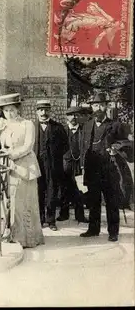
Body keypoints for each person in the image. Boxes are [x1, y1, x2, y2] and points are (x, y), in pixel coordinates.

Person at [0, 93, 44, 248]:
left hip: (24, 167)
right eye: (6, 110)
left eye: (12, 110)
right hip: (7, 168)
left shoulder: (27, 124)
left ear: (18, 109)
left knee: (23, 202)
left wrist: (11, 155)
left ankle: (27, 237)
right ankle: (11, 233)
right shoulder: (2, 124)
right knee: (9, 202)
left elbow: (28, 146)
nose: (9, 113)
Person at [79, 93, 131, 242]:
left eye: (101, 105)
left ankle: (113, 232)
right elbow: (84, 147)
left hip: (110, 170)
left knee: (111, 202)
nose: (98, 108)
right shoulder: (87, 125)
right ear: (92, 107)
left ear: (106, 106)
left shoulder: (116, 126)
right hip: (92, 169)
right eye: (95, 105)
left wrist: (117, 147)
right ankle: (93, 229)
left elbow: (126, 143)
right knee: (93, 201)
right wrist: (82, 166)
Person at [34, 100, 68, 231]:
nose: (44, 112)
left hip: (53, 166)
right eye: (41, 110)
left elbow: (65, 146)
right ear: (37, 111)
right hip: (36, 165)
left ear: (50, 111)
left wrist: (56, 158)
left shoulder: (58, 127)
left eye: (46, 110)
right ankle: (40, 219)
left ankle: (51, 220)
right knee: (38, 192)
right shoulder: (31, 127)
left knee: (52, 192)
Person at [57, 106, 89, 223]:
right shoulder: (62, 130)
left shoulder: (83, 130)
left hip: (79, 164)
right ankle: (63, 214)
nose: (74, 117)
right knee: (64, 189)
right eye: (71, 115)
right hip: (65, 163)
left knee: (80, 189)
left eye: (76, 115)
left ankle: (80, 215)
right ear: (67, 117)